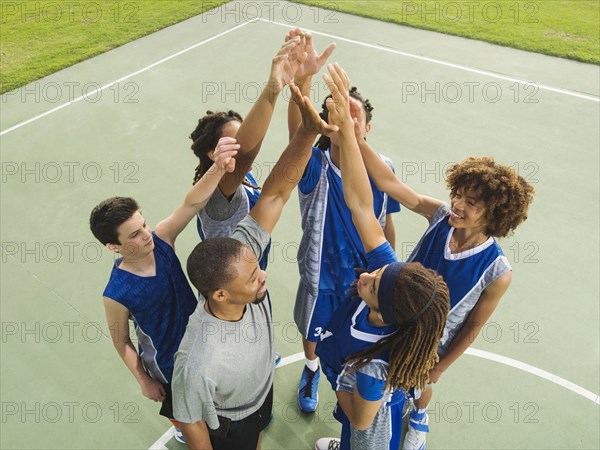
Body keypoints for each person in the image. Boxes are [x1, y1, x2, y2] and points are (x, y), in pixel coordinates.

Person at [350, 73, 535, 450]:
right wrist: (356, 138)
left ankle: (419, 417)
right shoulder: (439, 216)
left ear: (495, 214)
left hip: (431, 338)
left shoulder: (497, 272)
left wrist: (438, 368)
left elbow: (472, 327)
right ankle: (365, 429)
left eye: (472, 203)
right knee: (376, 384)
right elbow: (389, 184)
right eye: (459, 195)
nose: (459, 205)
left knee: (417, 387)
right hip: (398, 310)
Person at [172, 84, 337, 450]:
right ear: (219, 294)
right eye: (254, 275)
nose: (264, 276)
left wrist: (308, 131)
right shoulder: (199, 357)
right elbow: (189, 417)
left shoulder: (242, 262)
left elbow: (278, 191)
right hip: (229, 421)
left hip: (257, 395)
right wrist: (275, 86)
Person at [314, 63, 450, 450]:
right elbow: (359, 203)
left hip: (369, 432)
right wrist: (348, 133)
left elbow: (361, 417)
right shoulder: (393, 283)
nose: (366, 278)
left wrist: (340, 379)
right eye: (376, 276)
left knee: (357, 435)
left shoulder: (374, 367)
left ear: (384, 314)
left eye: (371, 287)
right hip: (359, 395)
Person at [285, 30, 401, 413]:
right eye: (336, 110)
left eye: (355, 116)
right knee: (313, 334)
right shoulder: (312, 167)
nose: (347, 119)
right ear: (323, 121)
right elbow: (296, 131)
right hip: (320, 277)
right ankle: (311, 368)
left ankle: (348, 386)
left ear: (367, 129)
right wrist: (302, 79)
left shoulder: (383, 169)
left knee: (361, 339)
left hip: (365, 280)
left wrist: (391, 269)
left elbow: (386, 221)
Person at [89, 143, 238, 442]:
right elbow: (122, 341)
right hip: (169, 367)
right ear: (113, 246)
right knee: (191, 420)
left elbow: (192, 203)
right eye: (134, 234)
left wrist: (219, 167)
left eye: (143, 224)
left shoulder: (163, 240)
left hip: (204, 339)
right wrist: (143, 380)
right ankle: (185, 428)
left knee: (222, 400)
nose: (146, 235)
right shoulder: (115, 294)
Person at [190, 34, 306, 270]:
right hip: (232, 292)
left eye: (242, 133)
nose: (243, 140)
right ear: (213, 154)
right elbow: (245, 153)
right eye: (234, 139)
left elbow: (295, 147)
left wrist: (302, 80)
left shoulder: (245, 178)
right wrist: (273, 88)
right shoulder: (216, 193)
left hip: (252, 277)